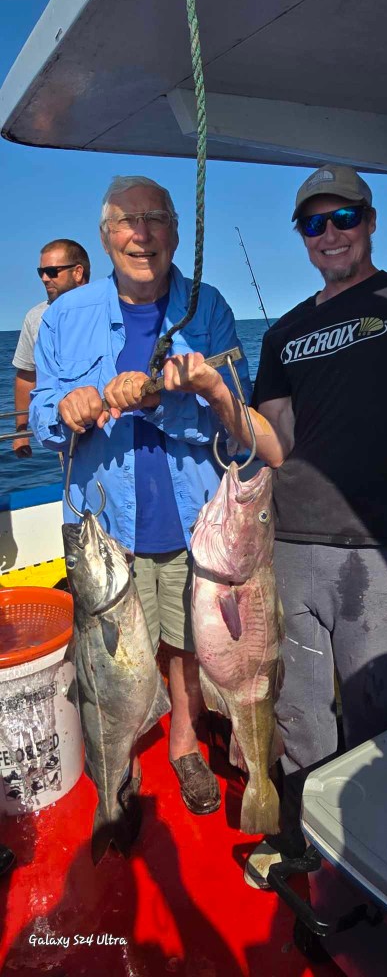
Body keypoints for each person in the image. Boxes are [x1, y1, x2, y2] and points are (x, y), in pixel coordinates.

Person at [159, 163, 387, 885]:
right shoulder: (288, 331)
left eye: (344, 218)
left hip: (376, 547)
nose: (329, 235)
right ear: (301, 235)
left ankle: (372, 858)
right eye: (313, 224)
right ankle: (301, 842)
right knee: (293, 711)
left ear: (370, 220)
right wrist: (217, 395)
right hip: (279, 546)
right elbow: (275, 441)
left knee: (372, 712)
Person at [29, 175, 252, 815]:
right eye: (127, 221)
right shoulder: (62, 317)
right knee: (108, 659)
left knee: (184, 643)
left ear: (176, 232)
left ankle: (183, 744)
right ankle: (117, 764)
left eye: (156, 218)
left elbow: (234, 416)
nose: (142, 233)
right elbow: (43, 414)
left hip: (190, 519)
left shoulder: (206, 310)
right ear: (106, 238)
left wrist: (161, 401)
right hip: (102, 529)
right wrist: (65, 409)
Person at [12, 239, 90, 458]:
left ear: (77, 272)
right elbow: (27, 375)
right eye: (41, 272)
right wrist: (21, 432)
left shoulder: (109, 306)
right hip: (62, 430)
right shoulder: (35, 318)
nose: (45, 278)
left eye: (52, 271)